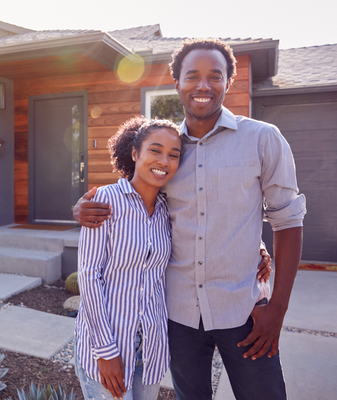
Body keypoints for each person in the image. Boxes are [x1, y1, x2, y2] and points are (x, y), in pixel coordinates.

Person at [73, 38, 305, 400]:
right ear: (176, 81)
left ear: (229, 82)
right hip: (178, 316)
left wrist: (277, 306)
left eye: (215, 76)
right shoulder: (166, 149)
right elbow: (136, 199)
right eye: (192, 76)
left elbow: (288, 221)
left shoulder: (262, 139)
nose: (203, 85)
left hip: (244, 313)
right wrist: (81, 209)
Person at [75, 116, 182, 400]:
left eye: (174, 155)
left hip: (152, 349)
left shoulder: (167, 212)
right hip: (108, 347)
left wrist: (258, 249)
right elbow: (88, 277)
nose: (164, 161)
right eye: (155, 150)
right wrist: (106, 351)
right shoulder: (104, 203)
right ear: (135, 154)